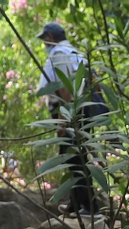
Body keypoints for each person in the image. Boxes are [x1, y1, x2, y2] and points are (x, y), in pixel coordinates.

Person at [36, 21, 96, 213]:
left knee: (75, 157)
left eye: (45, 39)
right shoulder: (76, 53)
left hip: (70, 110)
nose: (44, 43)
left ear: (50, 38)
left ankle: (88, 205)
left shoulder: (59, 53)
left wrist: (64, 117)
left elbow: (65, 86)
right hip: (82, 109)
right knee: (73, 156)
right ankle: (76, 203)